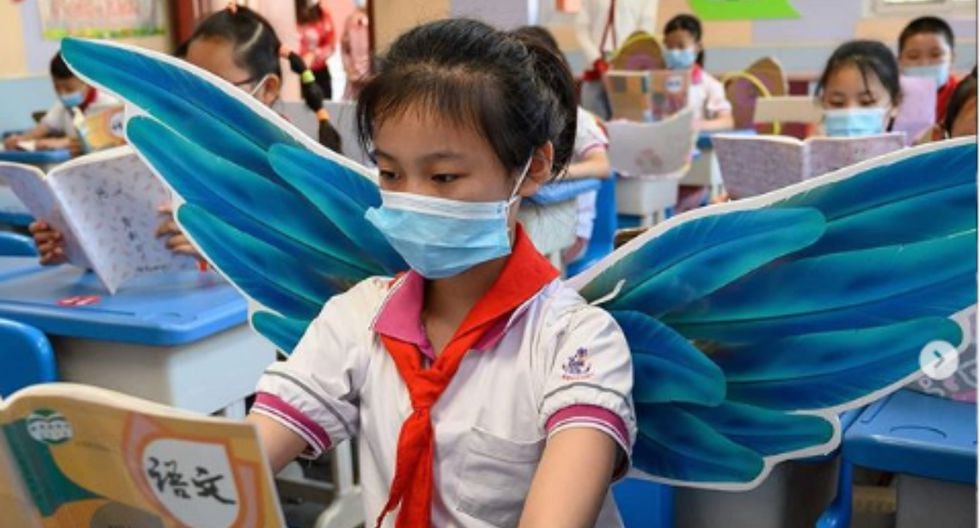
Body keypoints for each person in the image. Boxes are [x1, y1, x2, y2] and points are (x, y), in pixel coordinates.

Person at [247, 18, 636, 528]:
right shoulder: (358, 316)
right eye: (390, 172)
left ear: (533, 167)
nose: (411, 198)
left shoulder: (577, 343)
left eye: (444, 176)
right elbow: (243, 461)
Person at [31, 4, 341, 264]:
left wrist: (223, 251)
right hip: (164, 312)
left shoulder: (294, 170)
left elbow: (313, 273)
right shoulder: (170, 152)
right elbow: (138, 247)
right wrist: (76, 245)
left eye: (214, 88)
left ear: (268, 89)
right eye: (189, 85)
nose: (196, 105)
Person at [512, 25, 613, 264]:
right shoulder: (515, 119)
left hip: (572, 233)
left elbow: (602, 166)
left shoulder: (578, 118)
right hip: (527, 223)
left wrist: (553, 174)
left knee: (520, 256)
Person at [3, 52, 120, 155]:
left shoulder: (109, 104)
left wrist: (60, 143)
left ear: (86, 81)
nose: (62, 94)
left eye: (68, 88)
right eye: (57, 87)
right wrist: (20, 139)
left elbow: (99, 139)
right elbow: (45, 126)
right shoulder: (62, 106)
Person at [816, 40, 902, 137]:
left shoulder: (910, 152)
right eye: (837, 103)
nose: (850, 113)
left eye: (867, 102)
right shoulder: (811, 151)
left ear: (895, 103)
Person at [662, 13, 733, 131]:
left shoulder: (710, 84)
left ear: (698, 47)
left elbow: (727, 121)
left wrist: (697, 125)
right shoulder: (657, 81)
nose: (674, 52)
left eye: (681, 46)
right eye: (669, 47)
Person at [898, 16, 959, 122]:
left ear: (952, 57)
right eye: (913, 56)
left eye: (935, 55)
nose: (924, 63)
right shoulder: (890, 99)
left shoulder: (964, 97)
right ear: (899, 61)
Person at [295, 0, 336, 99]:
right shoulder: (289, 12)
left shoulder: (323, 14)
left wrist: (314, 55)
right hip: (295, 74)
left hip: (319, 73)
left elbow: (331, 45)